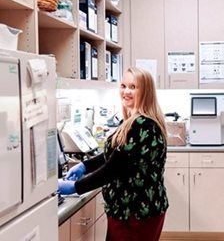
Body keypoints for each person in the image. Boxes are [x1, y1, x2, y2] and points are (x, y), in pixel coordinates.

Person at [58, 67, 169, 241]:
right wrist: (84, 166)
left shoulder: (143, 125)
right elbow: (115, 155)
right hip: (129, 212)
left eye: (133, 87)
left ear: (145, 91)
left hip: (136, 213)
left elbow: (113, 168)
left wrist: (75, 187)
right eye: (123, 85)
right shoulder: (133, 120)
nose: (126, 91)